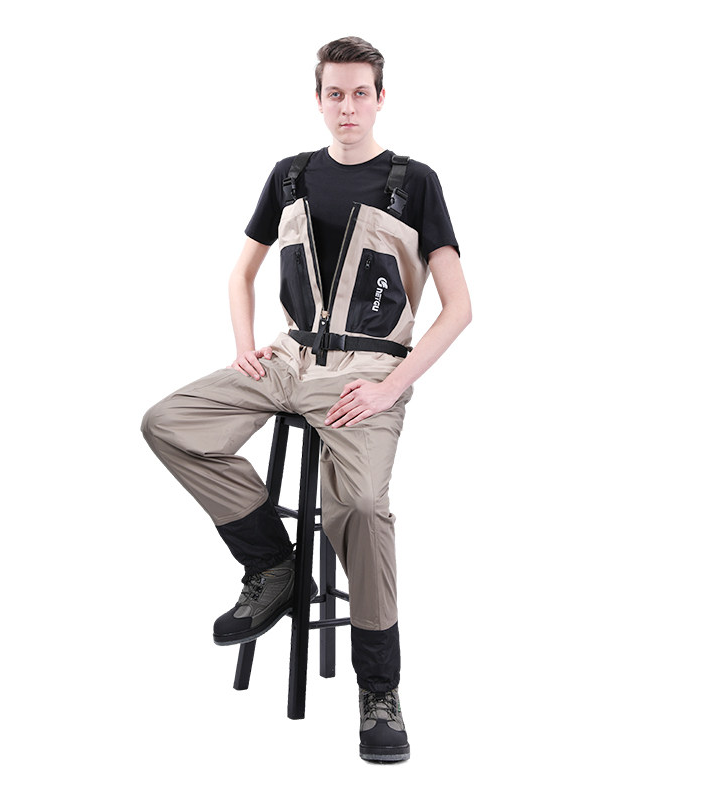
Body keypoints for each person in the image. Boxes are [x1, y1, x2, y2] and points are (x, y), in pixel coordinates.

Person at [141, 36, 471, 763]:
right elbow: (241, 274)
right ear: (318, 98)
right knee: (168, 423)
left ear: (380, 98)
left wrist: (390, 386)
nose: (347, 107)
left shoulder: (415, 182)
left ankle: (379, 692)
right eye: (334, 93)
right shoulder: (290, 175)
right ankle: (275, 565)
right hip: (287, 358)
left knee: (362, 508)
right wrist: (244, 345)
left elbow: (459, 307)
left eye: (360, 93)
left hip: (363, 371)